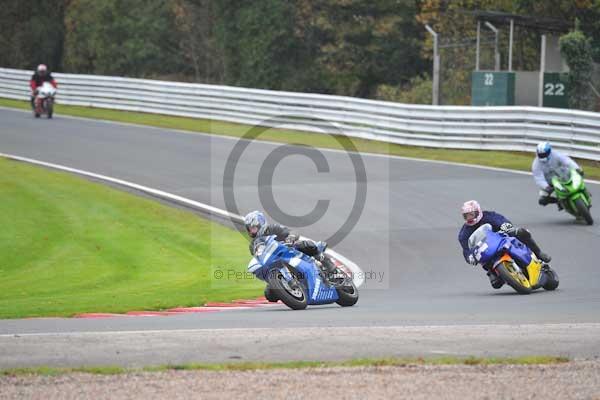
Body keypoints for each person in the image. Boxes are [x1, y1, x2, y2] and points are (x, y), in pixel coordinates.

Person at [458, 200, 551, 289]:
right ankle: (494, 273)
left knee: (521, 232)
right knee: (496, 284)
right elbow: (466, 249)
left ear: (478, 211)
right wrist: (469, 257)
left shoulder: (488, 216)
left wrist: (505, 225)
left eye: (471, 214)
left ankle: (538, 254)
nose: (469, 218)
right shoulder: (464, 233)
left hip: (501, 239)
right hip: (486, 251)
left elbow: (500, 220)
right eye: (466, 216)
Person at [244, 210, 336, 273]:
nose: (251, 231)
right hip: (275, 261)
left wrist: (290, 238)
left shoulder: (273, 228)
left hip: (289, 250)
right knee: (269, 294)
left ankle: (327, 263)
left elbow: (291, 232)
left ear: (261, 223)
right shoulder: (253, 245)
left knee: (306, 245)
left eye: (253, 228)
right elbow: (258, 257)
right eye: (250, 229)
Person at [532, 141, 584, 207]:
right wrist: (546, 186)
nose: (543, 156)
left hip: (564, 175)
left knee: (579, 174)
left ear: (549, 152)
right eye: (541, 154)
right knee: (542, 200)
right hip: (550, 183)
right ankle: (558, 201)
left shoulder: (556, 155)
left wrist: (577, 168)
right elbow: (538, 178)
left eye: (544, 154)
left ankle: (583, 190)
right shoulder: (536, 164)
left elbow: (567, 161)